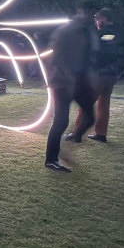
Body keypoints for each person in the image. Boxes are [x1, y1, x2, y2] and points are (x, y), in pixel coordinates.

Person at [44, 14, 99, 172]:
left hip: (78, 82)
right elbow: (57, 57)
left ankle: (70, 141)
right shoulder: (69, 31)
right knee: (61, 120)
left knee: (90, 117)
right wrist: (66, 78)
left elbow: (88, 58)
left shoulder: (87, 31)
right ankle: (51, 159)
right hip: (63, 82)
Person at [64, 9, 124, 144]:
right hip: (112, 74)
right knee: (104, 104)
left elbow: (97, 51)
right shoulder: (118, 32)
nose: (96, 22)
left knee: (86, 103)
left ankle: (77, 134)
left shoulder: (102, 33)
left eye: (97, 19)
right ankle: (101, 134)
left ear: (102, 19)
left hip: (100, 74)